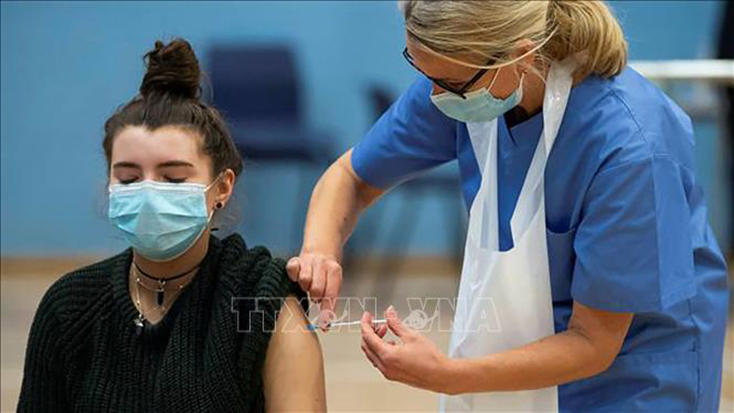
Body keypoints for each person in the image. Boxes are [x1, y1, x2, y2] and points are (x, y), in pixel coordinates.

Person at [286, 1, 729, 411]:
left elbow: (593, 342)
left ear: (520, 54)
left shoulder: (630, 148)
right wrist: (319, 251)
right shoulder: (467, 86)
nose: (435, 99)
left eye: (450, 84)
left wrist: (447, 375)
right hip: (527, 342)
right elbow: (352, 177)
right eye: (426, 75)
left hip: (633, 371)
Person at [18, 39, 326, 412]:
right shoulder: (68, 307)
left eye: (174, 179)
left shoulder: (262, 302)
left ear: (222, 188)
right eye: (129, 179)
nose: (149, 193)